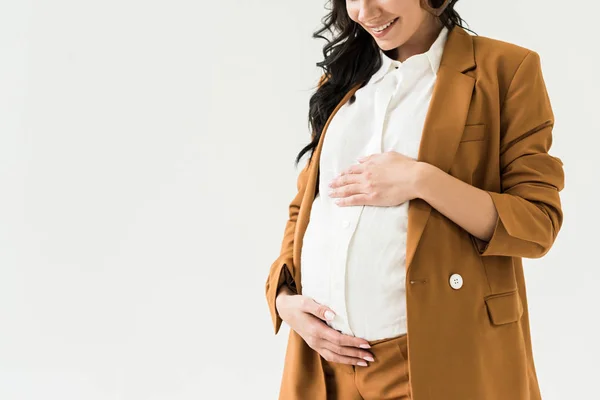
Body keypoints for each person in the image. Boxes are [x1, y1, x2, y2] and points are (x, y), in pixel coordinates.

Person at [264, 1, 565, 399]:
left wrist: (422, 179)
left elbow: (537, 223)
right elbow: (305, 205)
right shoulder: (342, 80)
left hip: (434, 362)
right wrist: (284, 299)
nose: (364, 11)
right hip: (320, 364)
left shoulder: (504, 69)